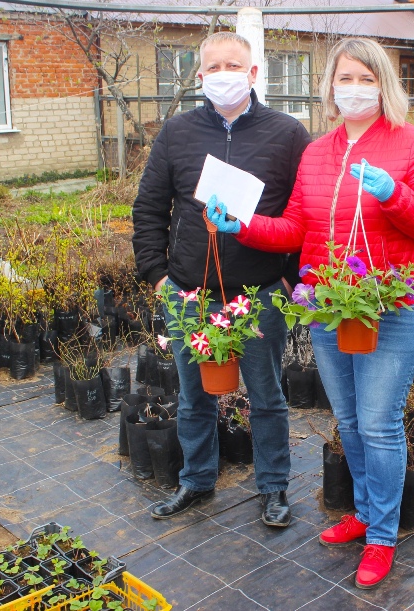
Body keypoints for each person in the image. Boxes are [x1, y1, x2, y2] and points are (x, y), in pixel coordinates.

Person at [206, 37, 414, 589]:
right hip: (328, 308)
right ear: (330, 86)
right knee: (349, 420)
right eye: (346, 78)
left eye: (367, 79)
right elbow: (296, 227)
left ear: (384, 85)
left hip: (393, 310)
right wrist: (242, 225)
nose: (355, 89)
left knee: (379, 424)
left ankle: (382, 536)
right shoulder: (318, 152)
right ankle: (364, 512)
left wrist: (394, 195)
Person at [132, 31, 311, 527]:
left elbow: (305, 214)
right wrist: (157, 276)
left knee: (266, 396)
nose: (224, 75)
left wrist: (289, 281)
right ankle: (196, 479)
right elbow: (149, 208)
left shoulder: (287, 134)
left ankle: (273, 487)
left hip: (259, 294)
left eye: (234, 66)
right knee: (193, 395)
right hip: (189, 293)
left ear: (253, 73)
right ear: (200, 76)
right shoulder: (177, 133)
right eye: (214, 67)